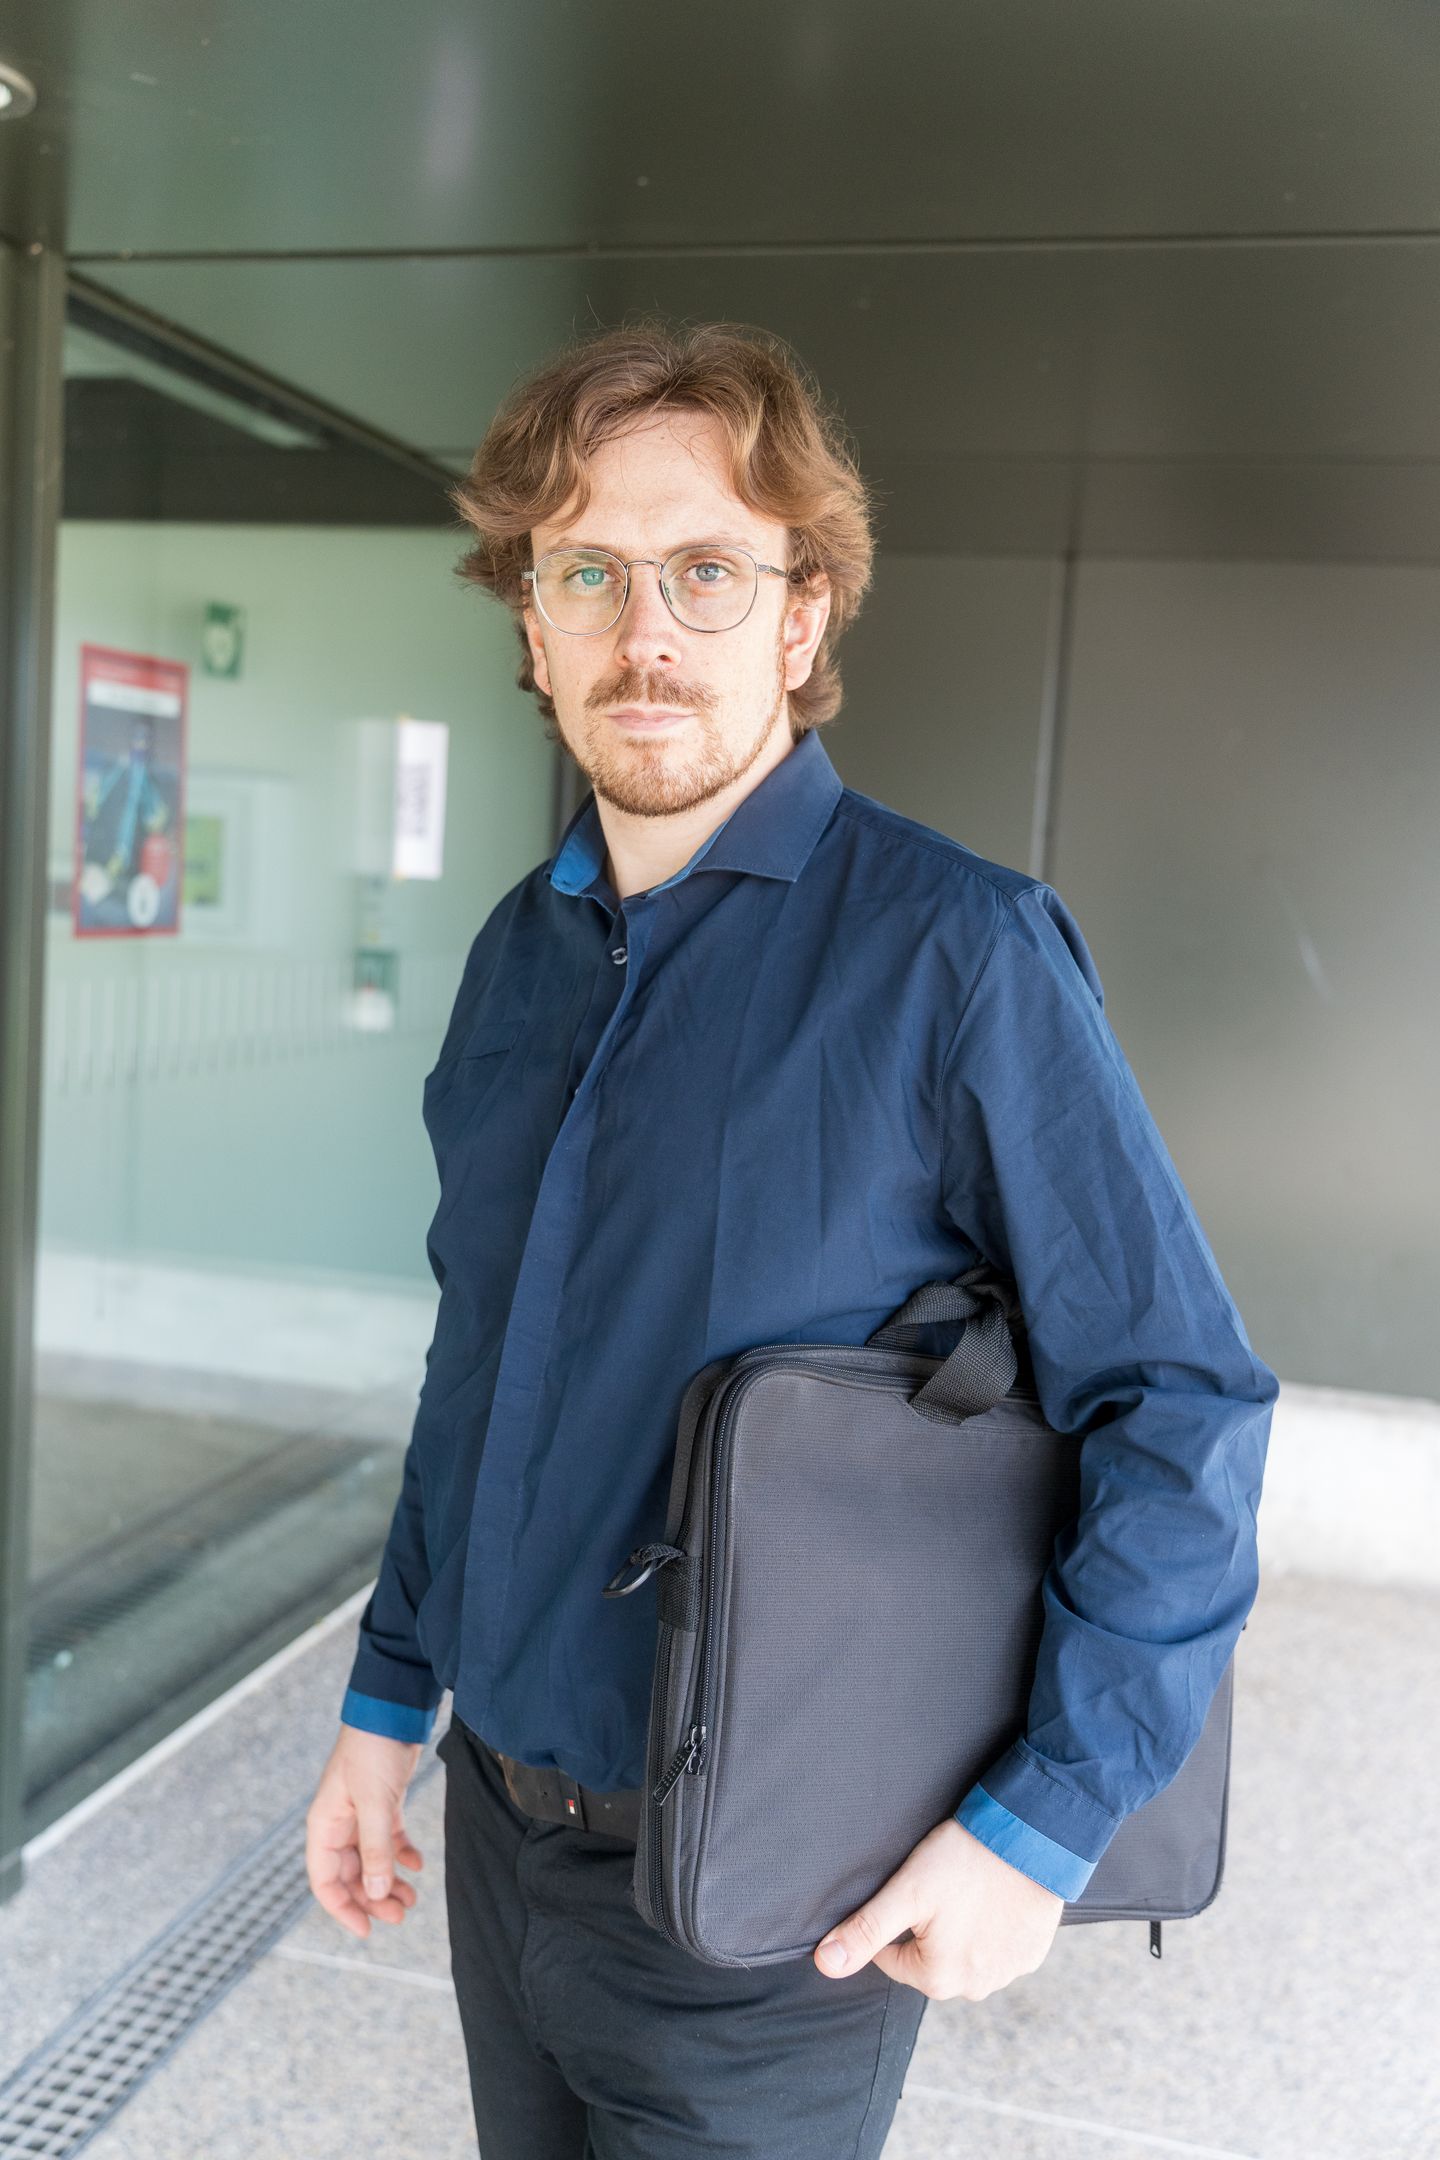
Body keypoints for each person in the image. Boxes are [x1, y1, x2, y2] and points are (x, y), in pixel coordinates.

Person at [305, 318, 1278, 2158]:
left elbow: (1181, 1402)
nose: (645, 632)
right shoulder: (517, 954)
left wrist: (1041, 1826)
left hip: (782, 1904)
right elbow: (478, 1366)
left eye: (705, 571)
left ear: (801, 613)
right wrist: (385, 1699)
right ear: (531, 621)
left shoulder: (958, 953)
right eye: (587, 572)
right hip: (504, 1844)